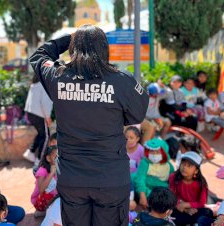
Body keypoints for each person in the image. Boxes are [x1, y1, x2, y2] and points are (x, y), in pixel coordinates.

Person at [29, 24, 149, 226]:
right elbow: (136, 115)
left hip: (72, 178)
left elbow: (39, 55)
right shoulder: (122, 81)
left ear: (74, 47)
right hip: (110, 178)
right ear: (104, 48)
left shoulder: (58, 77)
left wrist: (70, 38)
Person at [169, 151, 214, 225]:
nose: (184, 167)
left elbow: (201, 203)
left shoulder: (201, 183)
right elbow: (172, 196)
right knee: (171, 211)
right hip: (179, 206)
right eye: (183, 164)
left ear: (196, 170)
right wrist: (185, 209)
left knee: (208, 212)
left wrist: (186, 205)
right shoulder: (173, 177)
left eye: (189, 165)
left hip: (195, 208)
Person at [134, 138, 174, 210]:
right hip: (144, 191)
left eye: (157, 152)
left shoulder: (169, 166)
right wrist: (142, 196)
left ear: (163, 152)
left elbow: (172, 183)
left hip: (160, 194)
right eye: (152, 151)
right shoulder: (144, 163)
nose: (154, 154)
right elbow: (140, 179)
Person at [23, 74, 53, 165]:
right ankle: (39, 159)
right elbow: (45, 102)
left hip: (31, 113)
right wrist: (48, 117)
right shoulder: (45, 85)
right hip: (39, 114)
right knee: (46, 137)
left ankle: (31, 152)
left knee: (42, 134)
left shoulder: (35, 84)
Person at [31, 145, 58, 215]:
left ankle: (53, 209)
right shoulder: (42, 171)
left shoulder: (59, 168)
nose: (58, 159)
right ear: (48, 158)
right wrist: (51, 173)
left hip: (54, 197)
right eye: (56, 157)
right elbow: (41, 190)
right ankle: (43, 211)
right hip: (40, 201)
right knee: (47, 194)